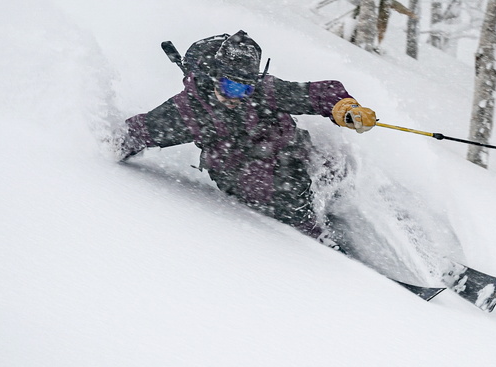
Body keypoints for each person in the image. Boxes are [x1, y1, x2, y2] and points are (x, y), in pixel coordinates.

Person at [116, 30, 376, 239]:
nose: (236, 97)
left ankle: (354, 206)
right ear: (216, 77)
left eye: (245, 89)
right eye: (230, 86)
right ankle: (312, 233)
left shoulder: (265, 91)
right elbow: (138, 132)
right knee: (287, 183)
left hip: (287, 148)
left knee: (331, 161)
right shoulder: (188, 112)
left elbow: (319, 93)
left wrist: (346, 109)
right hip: (241, 171)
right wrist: (105, 145)